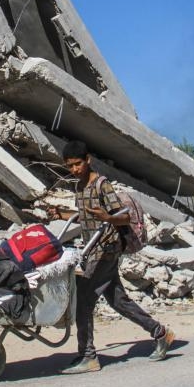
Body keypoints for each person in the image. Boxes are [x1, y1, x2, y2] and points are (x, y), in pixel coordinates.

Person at [48, 140, 175, 374]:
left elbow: (123, 217)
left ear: (88, 160)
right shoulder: (79, 187)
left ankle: (88, 356)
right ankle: (161, 333)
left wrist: (107, 217)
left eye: (77, 164)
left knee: (84, 300)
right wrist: (61, 213)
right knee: (118, 301)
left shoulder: (102, 185)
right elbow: (84, 217)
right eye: (70, 166)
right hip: (92, 249)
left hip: (107, 249)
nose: (74, 170)